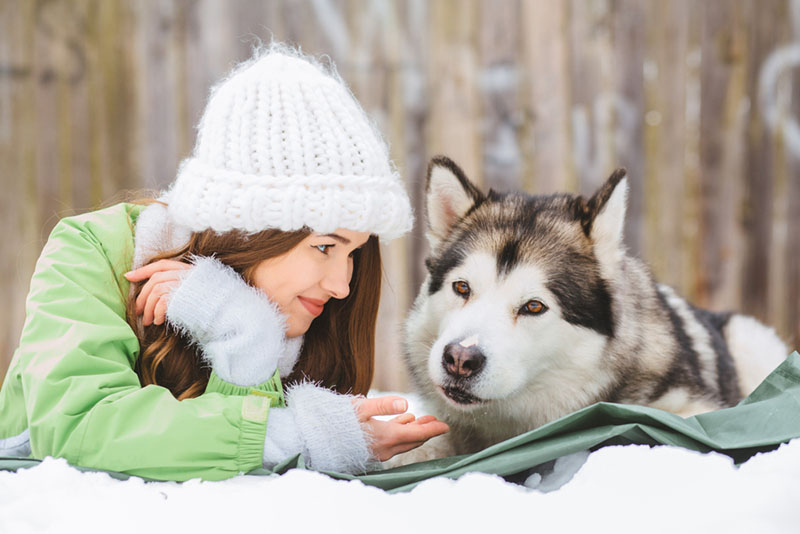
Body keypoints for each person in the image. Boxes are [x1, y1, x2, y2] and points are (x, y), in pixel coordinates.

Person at [0, 45, 448, 481]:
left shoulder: (309, 323)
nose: (342, 286)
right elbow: (75, 428)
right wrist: (292, 435)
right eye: (325, 247)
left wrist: (247, 337)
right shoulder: (90, 253)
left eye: (353, 253)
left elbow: (243, 486)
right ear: (248, 230)